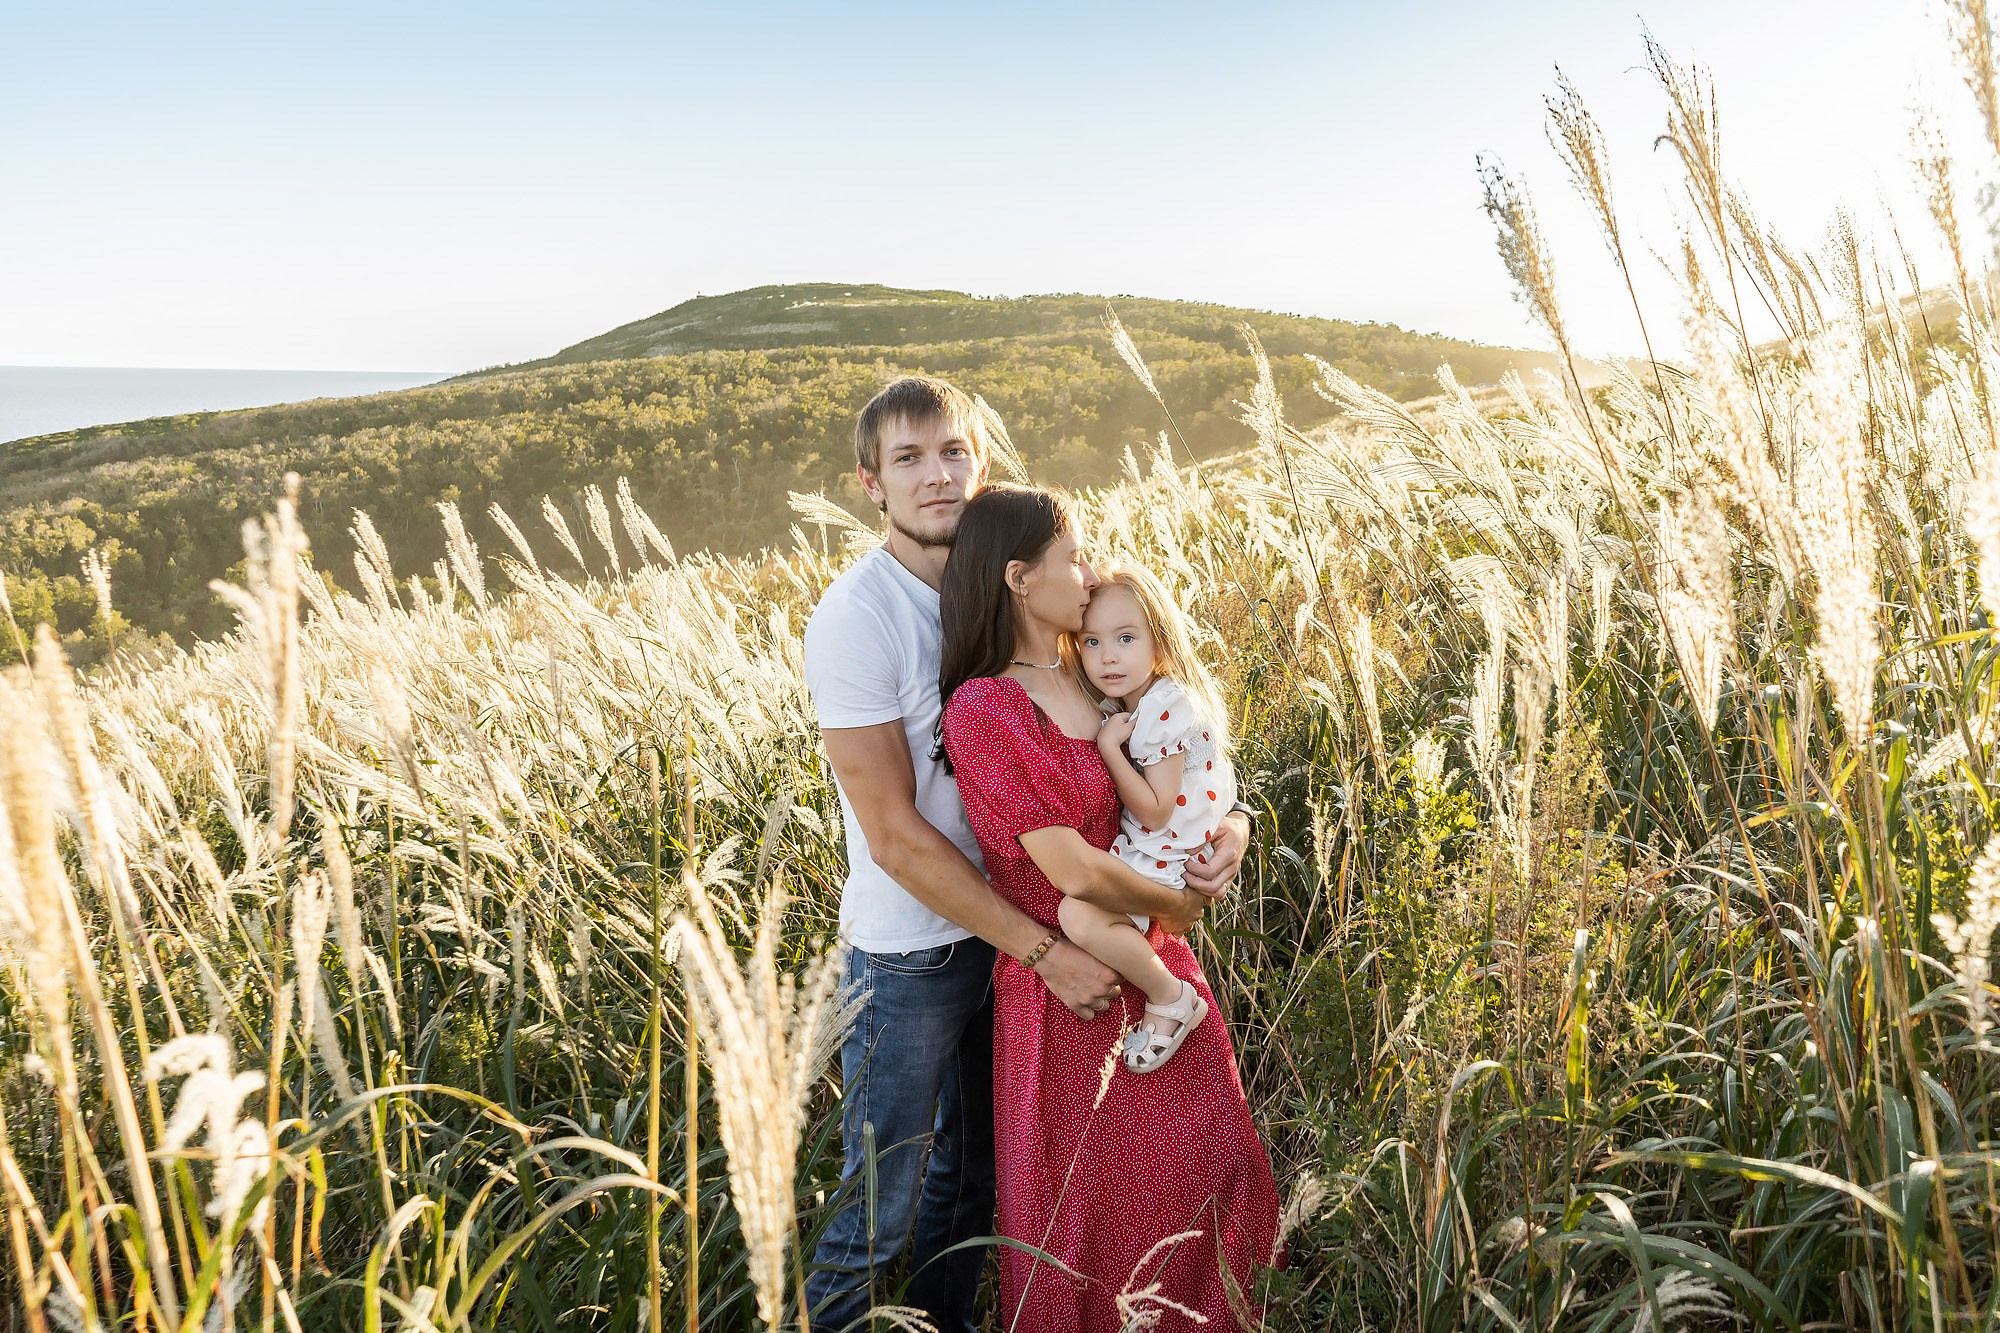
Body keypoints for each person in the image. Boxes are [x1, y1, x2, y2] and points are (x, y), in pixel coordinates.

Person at [800, 377, 1251, 1331]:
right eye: (910, 458)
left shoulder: (1056, 637)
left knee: (971, 1192)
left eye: (953, 451)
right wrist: (1046, 944)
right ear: (871, 482)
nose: (937, 476)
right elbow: (893, 834)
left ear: (983, 461)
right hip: (921, 949)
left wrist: (1230, 832)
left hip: (1031, 938)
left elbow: (1166, 754)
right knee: (882, 1206)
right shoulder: (860, 615)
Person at [937, 485, 1278, 1330]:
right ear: (1020, 578)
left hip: (1156, 961)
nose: (1087, 573)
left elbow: (1189, 772)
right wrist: (1177, 902)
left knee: (1200, 1181)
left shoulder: (1098, 675)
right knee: (1088, 1228)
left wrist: (1232, 830)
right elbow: (1070, 867)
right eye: (1073, 556)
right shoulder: (984, 706)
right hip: (1072, 983)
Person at [1067, 563, 1239, 1074]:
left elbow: (1157, 809)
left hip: (1169, 846)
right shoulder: (1145, 698)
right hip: (1167, 841)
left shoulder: (1160, 710)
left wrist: (1109, 750)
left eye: (1125, 637)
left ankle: (1171, 997)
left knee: (1078, 915)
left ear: (1158, 641)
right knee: (1088, 916)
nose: (1108, 656)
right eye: (1091, 641)